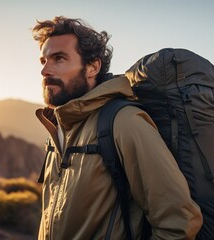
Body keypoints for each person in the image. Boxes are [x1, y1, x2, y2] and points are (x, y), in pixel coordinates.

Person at [32, 16, 202, 240]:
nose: (45, 71)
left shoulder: (124, 122)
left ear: (92, 67)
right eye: (43, 61)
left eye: (59, 59)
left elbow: (178, 222)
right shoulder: (60, 127)